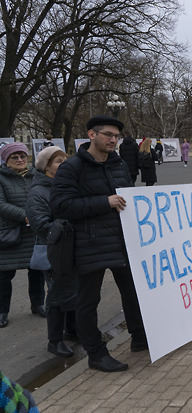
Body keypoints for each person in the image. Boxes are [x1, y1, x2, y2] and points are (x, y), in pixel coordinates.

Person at [50, 115, 147, 372]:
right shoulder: (72, 167)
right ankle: (96, 353)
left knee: (133, 293)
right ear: (91, 135)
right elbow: (60, 206)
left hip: (121, 240)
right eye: (108, 135)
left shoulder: (119, 164)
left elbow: (128, 198)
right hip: (88, 244)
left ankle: (140, 338)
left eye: (116, 136)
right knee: (88, 301)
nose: (113, 140)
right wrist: (105, 202)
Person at [25, 146, 77, 357]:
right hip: (54, 250)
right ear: (46, 167)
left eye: (66, 160)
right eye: (58, 161)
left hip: (73, 247)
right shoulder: (38, 192)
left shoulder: (69, 186)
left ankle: (73, 330)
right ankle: (54, 340)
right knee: (56, 293)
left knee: (75, 289)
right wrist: (68, 225)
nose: (64, 164)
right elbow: (41, 225)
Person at [0, 143, 44, 329]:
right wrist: (25, 215)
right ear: (6, 160)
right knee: (4, 275)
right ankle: (2, 311)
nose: (20, 160)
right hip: (9, 232)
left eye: (22, 156)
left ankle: (38, 304)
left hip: (33, 232)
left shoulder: (36, 175)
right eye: (14, 157)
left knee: (37, 270)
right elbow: (1, 205)